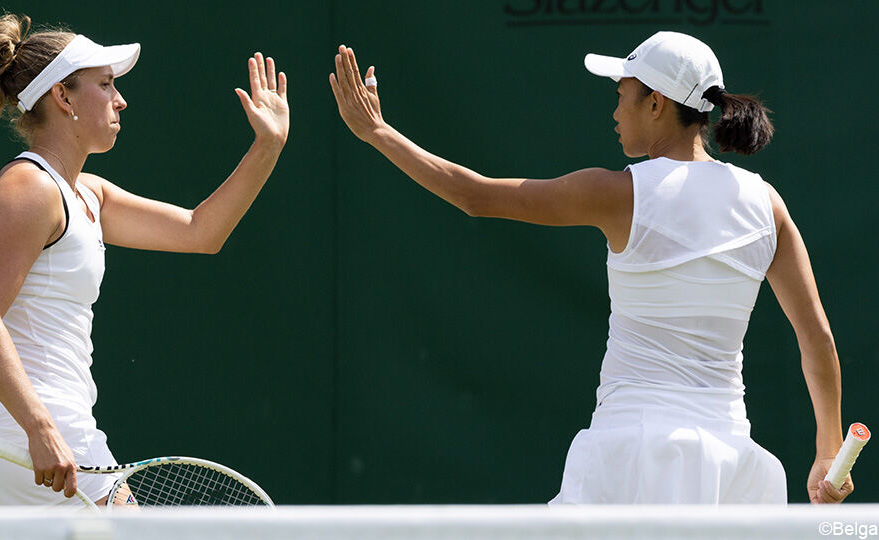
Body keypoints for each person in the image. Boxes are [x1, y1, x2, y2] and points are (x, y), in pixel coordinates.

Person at [329, 32, 851, 504]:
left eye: (622, 94)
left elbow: (474, 195)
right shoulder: (767, 205)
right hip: (730, 467)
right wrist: (828, 452)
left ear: (655, 103)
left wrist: (377, 132)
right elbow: (818, 338)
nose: (616, 110)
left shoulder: (620, 193)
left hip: (633, 453)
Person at [0, 13, 289, 506]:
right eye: (106, 84)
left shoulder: (88, 194)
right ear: (63, 97)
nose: (120, 99)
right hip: (36, 439)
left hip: (6, 445)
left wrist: (268, 146)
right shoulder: (29, 188)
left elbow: (201, 231)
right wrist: (40, 428)